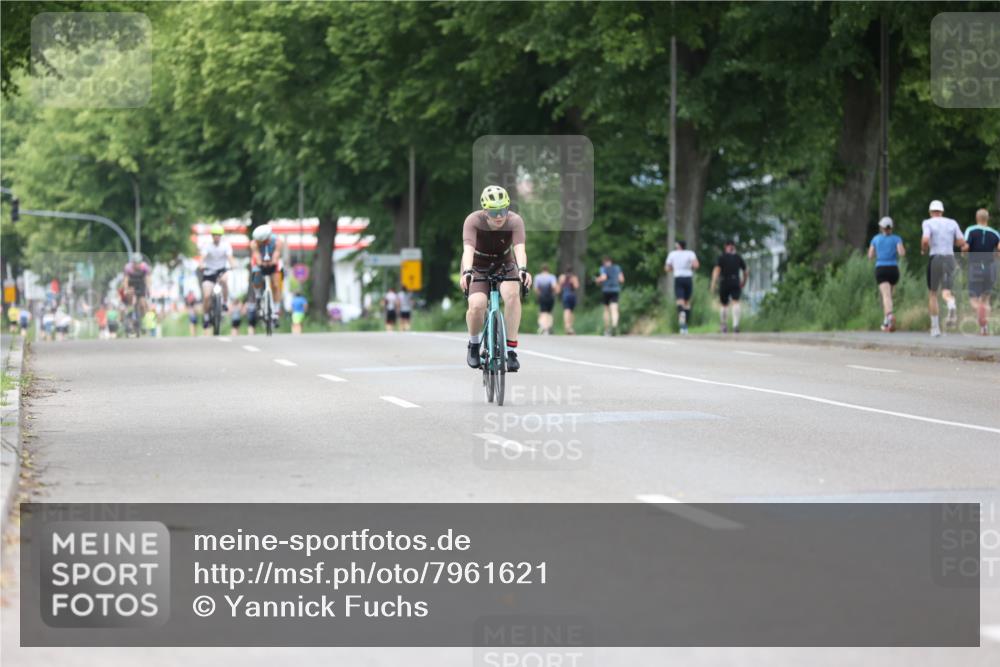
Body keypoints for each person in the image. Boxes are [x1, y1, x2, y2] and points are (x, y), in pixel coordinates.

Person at [459, 185, 532, 371]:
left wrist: (523, 269)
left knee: (512, 295)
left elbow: (520, 249)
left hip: (504, 262)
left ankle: (511, 350)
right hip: (476, 263)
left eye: (503, 210)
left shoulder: (515, 221)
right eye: (494, 212)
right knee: (477, 304)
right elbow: (467, 250)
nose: (499, 216)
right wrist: (467, 272)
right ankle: (474, 344)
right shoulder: (473, 221)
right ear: (485, 211)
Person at [921, 199, 964, 336]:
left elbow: (926, 239)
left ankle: (935, 328)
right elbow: (962, 241)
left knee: (933, 293)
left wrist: (923, 248)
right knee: (946, 291)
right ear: (942, 211)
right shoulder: (952, 222)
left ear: (930, 212)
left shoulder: (928, 223)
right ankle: (951, 305)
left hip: (936, 258)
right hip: (950, 258)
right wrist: (951, 242)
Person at [964, 208, 999, 336]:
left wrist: (963, 253)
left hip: (975, 266)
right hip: (990, 267)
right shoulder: (995, 233)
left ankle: (980, 312)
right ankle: (984, 328)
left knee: (974, 299)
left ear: (977, 217)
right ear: (987, 218)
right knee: (986, 300)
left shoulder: (971, 230)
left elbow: (966, 246)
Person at [868, 216, 906, 332]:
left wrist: (877, 253)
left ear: (881, 227)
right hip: (893, 269)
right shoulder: (897, 239)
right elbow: (901, 253)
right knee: (889, 296)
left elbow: (870, 256)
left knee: (886, 296)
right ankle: (886, 323)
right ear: (891, 227)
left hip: (881, 268)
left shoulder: (875, 239)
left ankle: (889, 316)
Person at [199, 223, 233, 333]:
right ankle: (206, 317)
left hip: (221, 271)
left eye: (218, 235)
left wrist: (232, 265)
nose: (216, 237)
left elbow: (230, 258)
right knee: (207, 295)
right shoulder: (207, 246)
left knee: (224, 280)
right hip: (209, 273)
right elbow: (202, 258)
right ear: (212, 236)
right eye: (214, 235)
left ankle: (225, 303)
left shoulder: (226, 245)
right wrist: (201, 265)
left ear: (221, 236)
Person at [249, 224, 284, 327]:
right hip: (260, 263)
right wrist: (261, 263)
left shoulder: (277, 241)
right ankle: (258, 295)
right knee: (256, 275)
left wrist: (272, 262)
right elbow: (257, 256)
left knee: (276, 285)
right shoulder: (254, 243)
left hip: (273, 262)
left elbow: (276, 254)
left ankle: (276, 311)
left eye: (261, 241)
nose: (259, 243)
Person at [711, 240, 748, 333]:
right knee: (736, 302)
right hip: (735, 280)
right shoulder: (738, 258)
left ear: (725, 246)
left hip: (724, 281)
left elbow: (717, 270)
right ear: (734, 246)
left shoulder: (722, 257)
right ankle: (735, 325)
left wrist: (713, 283)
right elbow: (745, 271)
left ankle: (724, 324)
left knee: (724, 304)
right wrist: (744, 281)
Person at [664, 240, 699, 334]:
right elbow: (696, 265)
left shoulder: (672, 254)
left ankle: (682, 323)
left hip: (678, 278)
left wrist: (675, 268)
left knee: (680, 301)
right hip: (688, 278)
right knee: (687, 302)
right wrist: (689, 267)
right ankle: (685, 325)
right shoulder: (690, 253)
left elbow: (667, 268)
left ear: (678, 246)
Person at [595, 255, 624, 336]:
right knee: (614, 309)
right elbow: (621, 279)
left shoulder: (603, 268)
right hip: (615, 290)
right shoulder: (617, 268)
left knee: (606, 310)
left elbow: (603, 277)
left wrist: (597, 280)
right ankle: (614, 325)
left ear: (604, 262)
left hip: (606, 290)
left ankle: (607, 329)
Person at [123, 253, 151, 321]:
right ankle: (129, 308)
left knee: (142, 302)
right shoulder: (128, 267)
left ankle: (143, 317)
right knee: (130, 293)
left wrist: (148, 288)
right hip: (132, 283)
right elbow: (126, 280)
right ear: (133, 263)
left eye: (138, 263)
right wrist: (126, 289)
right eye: (135, 263)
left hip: (141, 284)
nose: (137, 265)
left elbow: (148, 279)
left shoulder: (144, 267)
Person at [534, 264, 558, 334]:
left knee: (542, 311)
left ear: (542, 269)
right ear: (548, 269)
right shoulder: (551, 277)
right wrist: (554, 293)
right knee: (549, 312)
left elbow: (536, 289)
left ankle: (543, 326)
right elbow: (554, 286)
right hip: (550, 296)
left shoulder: (538, 277)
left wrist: (539, 295)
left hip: (542, 296)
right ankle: (548, 327)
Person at [557, 267, 580, 335]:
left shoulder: (562, 277)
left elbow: (559, 288)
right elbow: (576, 286)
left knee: (566, 311)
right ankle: (570, 327)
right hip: (572, 295)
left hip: (565, 295)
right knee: (571, 311)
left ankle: (567, 327)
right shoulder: (574, 277)